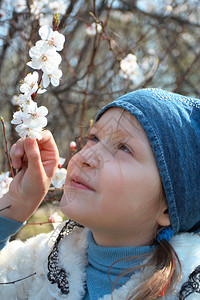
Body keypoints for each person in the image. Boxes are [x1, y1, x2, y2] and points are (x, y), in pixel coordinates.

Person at [0, 88, 199, 300]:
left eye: (124, 148)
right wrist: (17, 204)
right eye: (94, 138)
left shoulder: (187, 290)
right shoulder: (41, 266)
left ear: (168, 208)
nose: (87, 156)